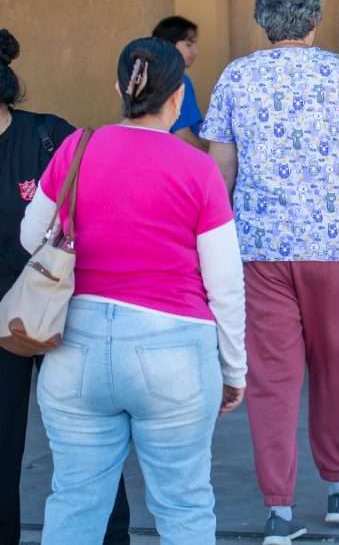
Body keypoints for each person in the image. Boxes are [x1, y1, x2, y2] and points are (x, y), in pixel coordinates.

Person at [22, 37, 246, 543]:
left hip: (75, 345)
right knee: (184, 507)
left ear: (120, 86)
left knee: (75, 504)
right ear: (177, 99)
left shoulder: (76, 148)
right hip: (175, 351)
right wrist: (234, 368)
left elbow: (29, 236)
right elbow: (226, 283)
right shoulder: (198, 169)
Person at [201, 0, 339, 542]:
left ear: (263, 20)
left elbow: (220, 171)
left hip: (259, 248)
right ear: (315, 19)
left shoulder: (236, 77)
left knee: (272, 378)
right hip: (336, 246)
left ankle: (278, 510)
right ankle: (337, 487)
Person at [0, 30, 130, 545]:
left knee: (88, 443)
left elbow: (101, 202)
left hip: (59, 310)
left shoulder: (50, 138)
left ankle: (111, 537)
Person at [152, 16, 206, 149]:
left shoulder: (151, 77)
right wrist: (210, 158)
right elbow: (183, 135)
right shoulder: (179, 81)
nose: (195, 51)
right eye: (189, 44)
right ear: (169, 45)